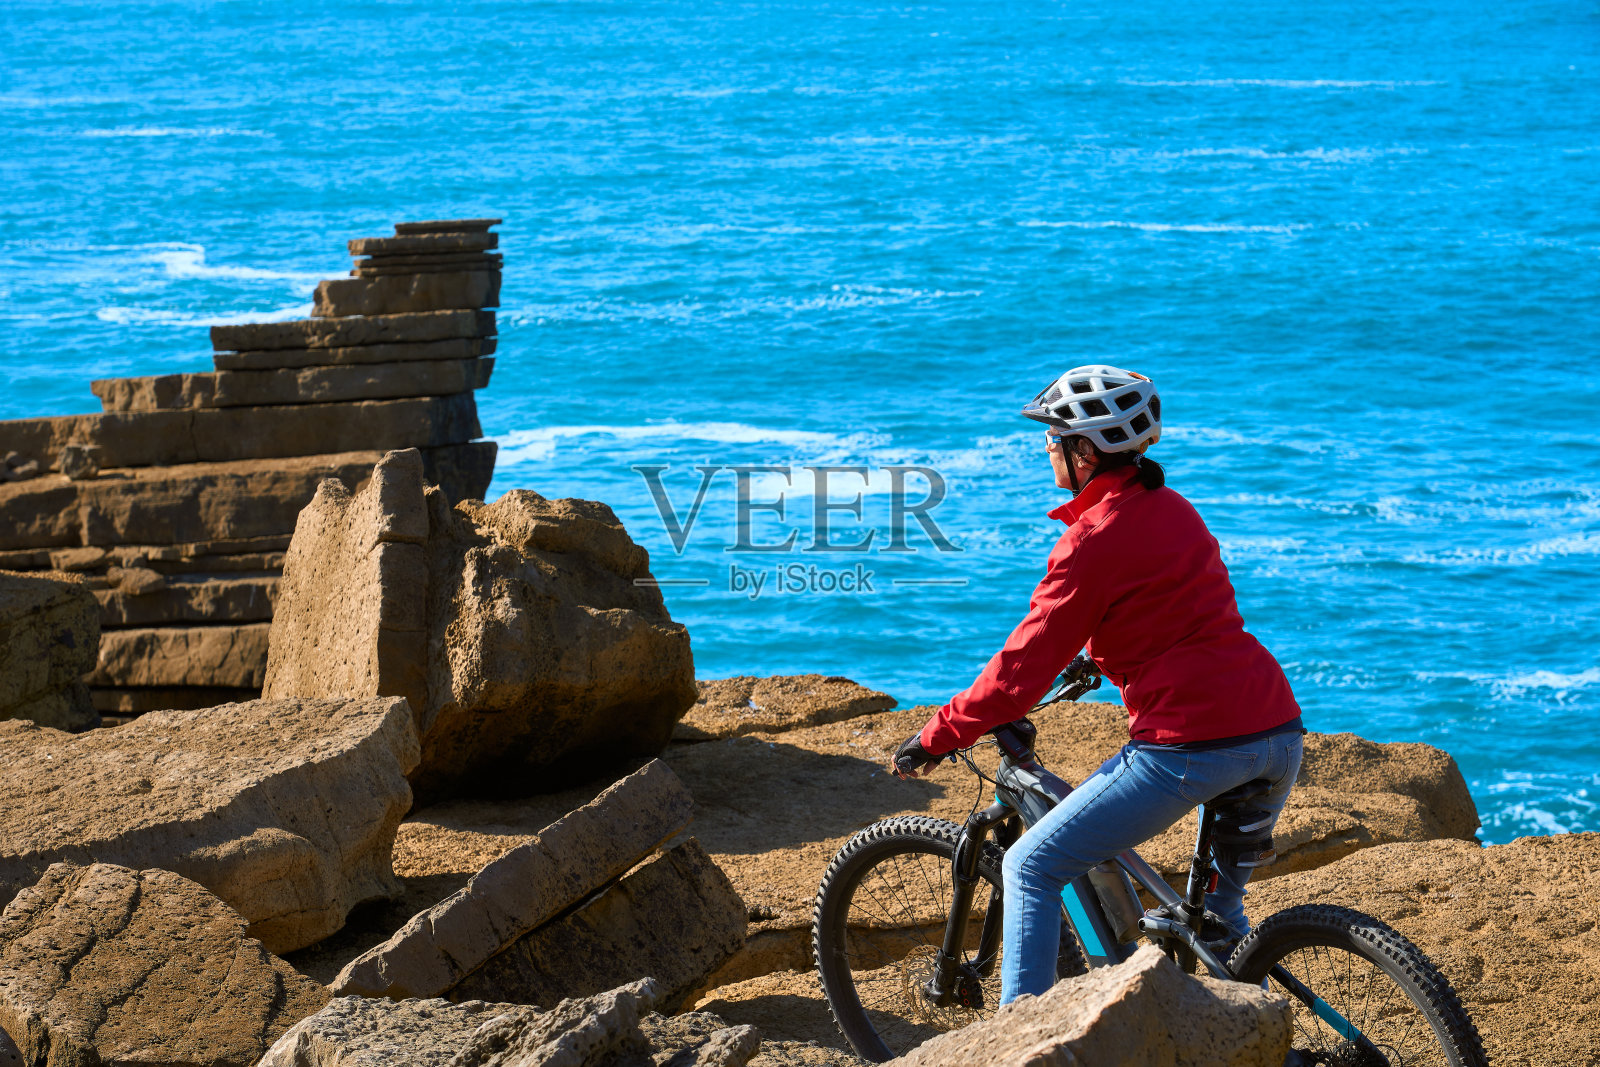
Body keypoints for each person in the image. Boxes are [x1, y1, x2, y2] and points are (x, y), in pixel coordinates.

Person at [888, 365, 1304, 1005]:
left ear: (1084, 451)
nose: (1045, 447)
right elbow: (1173, 609)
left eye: (1053, 437)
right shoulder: (1172, 507)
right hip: (1275, 731)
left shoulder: (1090, 540)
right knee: (1218, 930)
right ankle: (1244, 1030)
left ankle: (1023, 1042)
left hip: (1191, 746)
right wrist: (1097, 656)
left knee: (1030, 867)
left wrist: (937, 736)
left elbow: (1016, 677)